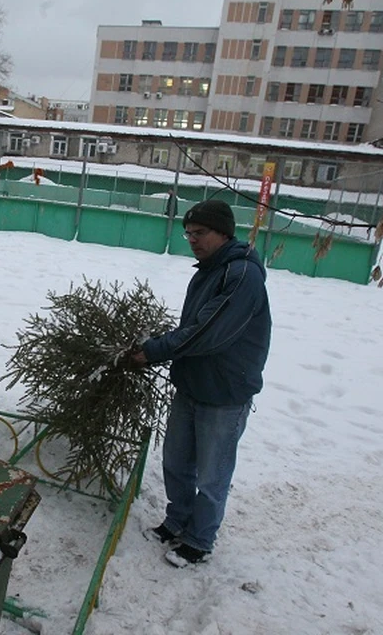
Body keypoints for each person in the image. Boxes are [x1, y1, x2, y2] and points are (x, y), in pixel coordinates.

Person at [127, 198, 272, 567]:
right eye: (188, 233)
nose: (192, 239)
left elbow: (207, 333)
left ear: (224, 232)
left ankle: (200, 539)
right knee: (176, 462)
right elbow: (191, 328)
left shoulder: (241, 275)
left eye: (200, 232)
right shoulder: (207, 271)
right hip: (192, 385)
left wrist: (154, 350)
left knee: (212, 475)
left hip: (224, 393)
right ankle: (177, 521)